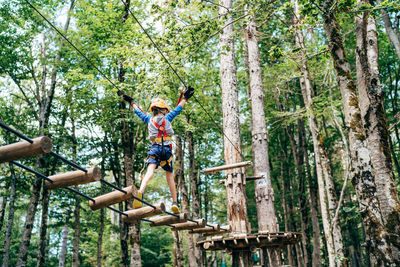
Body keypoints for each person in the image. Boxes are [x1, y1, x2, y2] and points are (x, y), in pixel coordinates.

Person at [123, 87, 194, 214]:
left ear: (154, 110)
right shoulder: (168, 118)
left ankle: (141, 192)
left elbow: (139, 112)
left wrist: (132, 102)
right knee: (169, 176)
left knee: (150, 171)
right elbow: (178, 109)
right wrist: (185, 98)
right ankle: (174, 202)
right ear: (164, 110)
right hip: (166, 150)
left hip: (154, 148)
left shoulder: (149, 119)